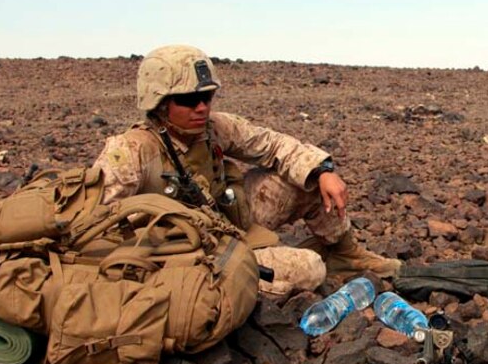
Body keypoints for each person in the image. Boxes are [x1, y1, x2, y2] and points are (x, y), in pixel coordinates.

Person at [94, 44, 401, 297]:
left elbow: (272, 144)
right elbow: (96, 222)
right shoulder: (132, 151)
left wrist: (323, 170)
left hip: (228, 221)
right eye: (189, 100)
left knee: (304, 179)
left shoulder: (214, 128)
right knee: (309, 269)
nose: (202, 107)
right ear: (159, 102)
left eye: (207, 97)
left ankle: (345, 254)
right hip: (191, 255)